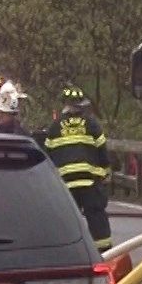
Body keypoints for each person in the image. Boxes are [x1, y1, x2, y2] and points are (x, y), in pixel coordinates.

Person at [41, 83, 113, 251]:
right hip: (90, 183)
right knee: (96, 217)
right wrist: (106, 172)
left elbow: (48, 156)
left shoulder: (54, 128)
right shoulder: (91, 124)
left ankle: (67, 252)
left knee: (66, 221)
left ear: (64, 105)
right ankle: (105, 253)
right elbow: (102, 152)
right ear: (81, 104)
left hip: (66, 185)